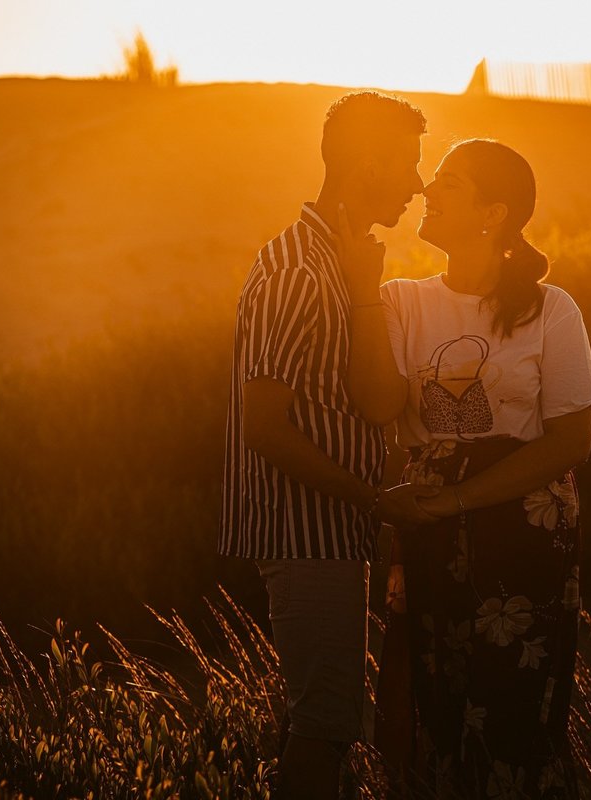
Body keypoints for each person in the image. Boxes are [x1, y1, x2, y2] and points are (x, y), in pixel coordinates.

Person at [219, 91, 443, 800]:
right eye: (406, 163)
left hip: (333, 533)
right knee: (323, 728)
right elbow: (263, 426)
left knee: (335, 724)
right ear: (366, 161)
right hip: (304, 534)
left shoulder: (340, 262)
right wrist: (373, 500)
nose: (415, 183)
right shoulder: (296, 270)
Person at [364, 139, 591, 798]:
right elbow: (378, 407)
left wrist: (456, 500)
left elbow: (571, 441)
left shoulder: (552, 310)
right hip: (429, 532)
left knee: (514, 707)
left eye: (451, 183)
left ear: (492, 213)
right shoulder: (401, 302)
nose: (429, 191)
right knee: (435, 697)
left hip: (523, 531)